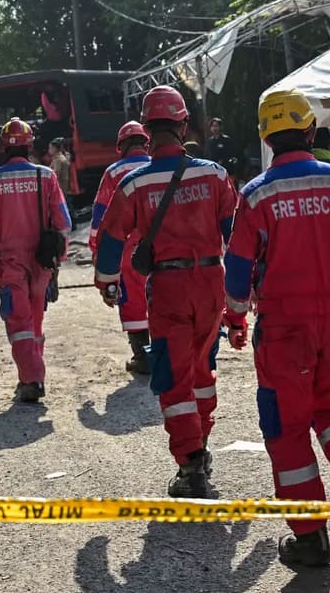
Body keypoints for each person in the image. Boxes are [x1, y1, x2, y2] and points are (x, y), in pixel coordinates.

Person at [223, 88, 330, 567]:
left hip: (285, 334)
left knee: (287, 431)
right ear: (311, 131)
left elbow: (236, 274)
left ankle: (311, 539)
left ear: (267, 139)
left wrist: (235, 317)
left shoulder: (256, 194)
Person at [94, 86, 237, 498]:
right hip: (212, 283)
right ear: (184, 125)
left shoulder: (135, 183)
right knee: (202, 372)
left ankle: (191, 462)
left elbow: (111, 240)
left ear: (148, 129)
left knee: (173, 378)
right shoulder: (214, 174)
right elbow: (237, 235)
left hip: (169, 289)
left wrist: (107, 281)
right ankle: (201, 443)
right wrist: (245, 292)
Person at [0, 118, 72, 403]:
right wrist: (58, 258)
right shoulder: (46, 176)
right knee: (35, 321)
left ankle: (31, 379)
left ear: (4, 147)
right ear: (30, 145)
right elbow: (64, 223)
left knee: (19, 321)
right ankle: (33, 376)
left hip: (11, 263)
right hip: (42, 262)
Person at [90, 121, 154, 374]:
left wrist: (96, 247)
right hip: (162, 247)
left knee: (133, 301)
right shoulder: (159, 166)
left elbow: (100, 216)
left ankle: (142, 356)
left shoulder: (114, 173)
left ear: (121, 146)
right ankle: (166, 353)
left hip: (126, 251)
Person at [49, 138, 77, 227]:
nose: (49, 150)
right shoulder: (62, 157)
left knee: (64, 206)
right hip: (64, 185)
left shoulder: (58, 160)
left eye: (50, 148)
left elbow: (55, 173)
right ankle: (73, 222)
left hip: (60, 185)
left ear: (55, 148)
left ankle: (70, 223)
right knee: (67, 204)